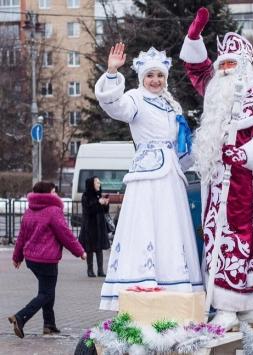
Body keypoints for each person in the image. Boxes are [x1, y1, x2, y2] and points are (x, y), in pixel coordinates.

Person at [180, 8, 253, 330]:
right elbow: (196, 69)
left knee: (243, 244)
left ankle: (242, 304)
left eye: (232, 65)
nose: (226, 70)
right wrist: (194, 37)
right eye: (223, 65)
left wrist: (242, 155)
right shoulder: (216, 92)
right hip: (218, 191)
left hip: (248, 193)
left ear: (244, 68)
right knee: (217, 241)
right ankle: (227, 303)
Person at [94, 43, 203, 311]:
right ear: (142, 78)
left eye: (160, 76)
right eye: (150, 76)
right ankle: (143, 282)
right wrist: (111, 72)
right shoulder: (135, 99)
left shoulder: (172, 104)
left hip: (172, 176)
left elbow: (182, 146)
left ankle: (174, 284)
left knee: (172, 228)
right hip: (147, 176)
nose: (155, 81)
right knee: (146, 225)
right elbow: (113, 105)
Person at [9, 181, 86, 338]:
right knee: (46, 293)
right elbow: (65, 235)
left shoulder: (29, 211)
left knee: (46, 291)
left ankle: (49, 325)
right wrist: (80, 252)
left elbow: (21, 237)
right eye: (53, 192)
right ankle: (20, 317)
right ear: (46, 194)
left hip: (32, 259)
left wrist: (17, 257)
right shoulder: (54, 211)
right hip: (47, 260)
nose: (56, 194)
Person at [78, 176, 111, 277]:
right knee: (90, 248)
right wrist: (98, 202)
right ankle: (90, 270)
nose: (99, 184)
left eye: (99, 182)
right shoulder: (86, 196)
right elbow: (89, 211)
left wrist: (106, 204)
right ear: (91, 184)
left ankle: (100, 270)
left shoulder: (98, 195)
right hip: (90, 226)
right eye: (97, 182)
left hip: (99, 225)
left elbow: (104, 211)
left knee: (99, 248)